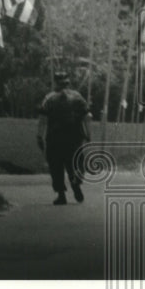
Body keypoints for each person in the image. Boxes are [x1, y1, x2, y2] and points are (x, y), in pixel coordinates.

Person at [37, 71, 92, 205]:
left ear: (55, 83)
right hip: (74, 138)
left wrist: (39, 136)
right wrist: (88, 133)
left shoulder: (49, 98)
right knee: (75, 163)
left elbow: (43, 119)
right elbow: (87, 116)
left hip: (54, 139)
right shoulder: (77, 97)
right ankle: (76, 184)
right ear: (68, 83)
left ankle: (61, 195)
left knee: (56, 166)